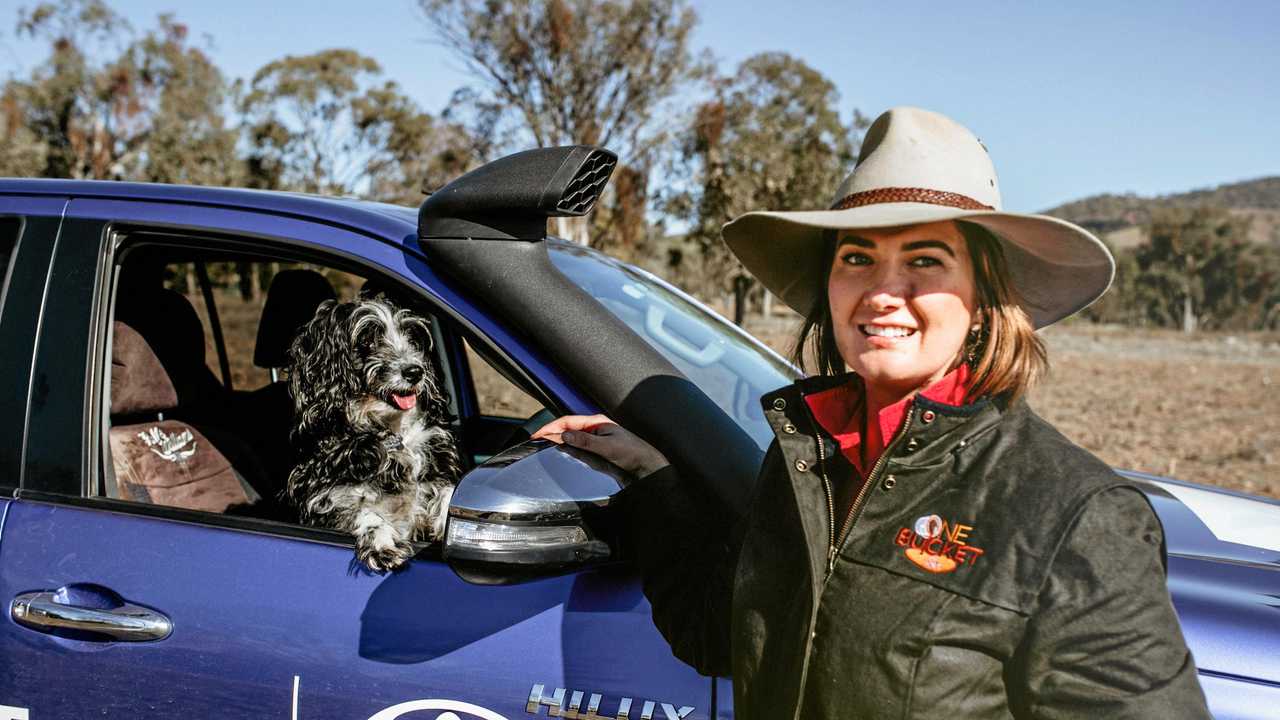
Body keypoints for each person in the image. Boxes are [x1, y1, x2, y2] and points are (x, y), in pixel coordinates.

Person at [534, 107, 1209, 719]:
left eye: (925, 259)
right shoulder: (807, 456)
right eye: (857, 258)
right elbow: (725, 636)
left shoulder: (1073, 515)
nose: (884, 292)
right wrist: (654, 479)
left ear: (983, 297)